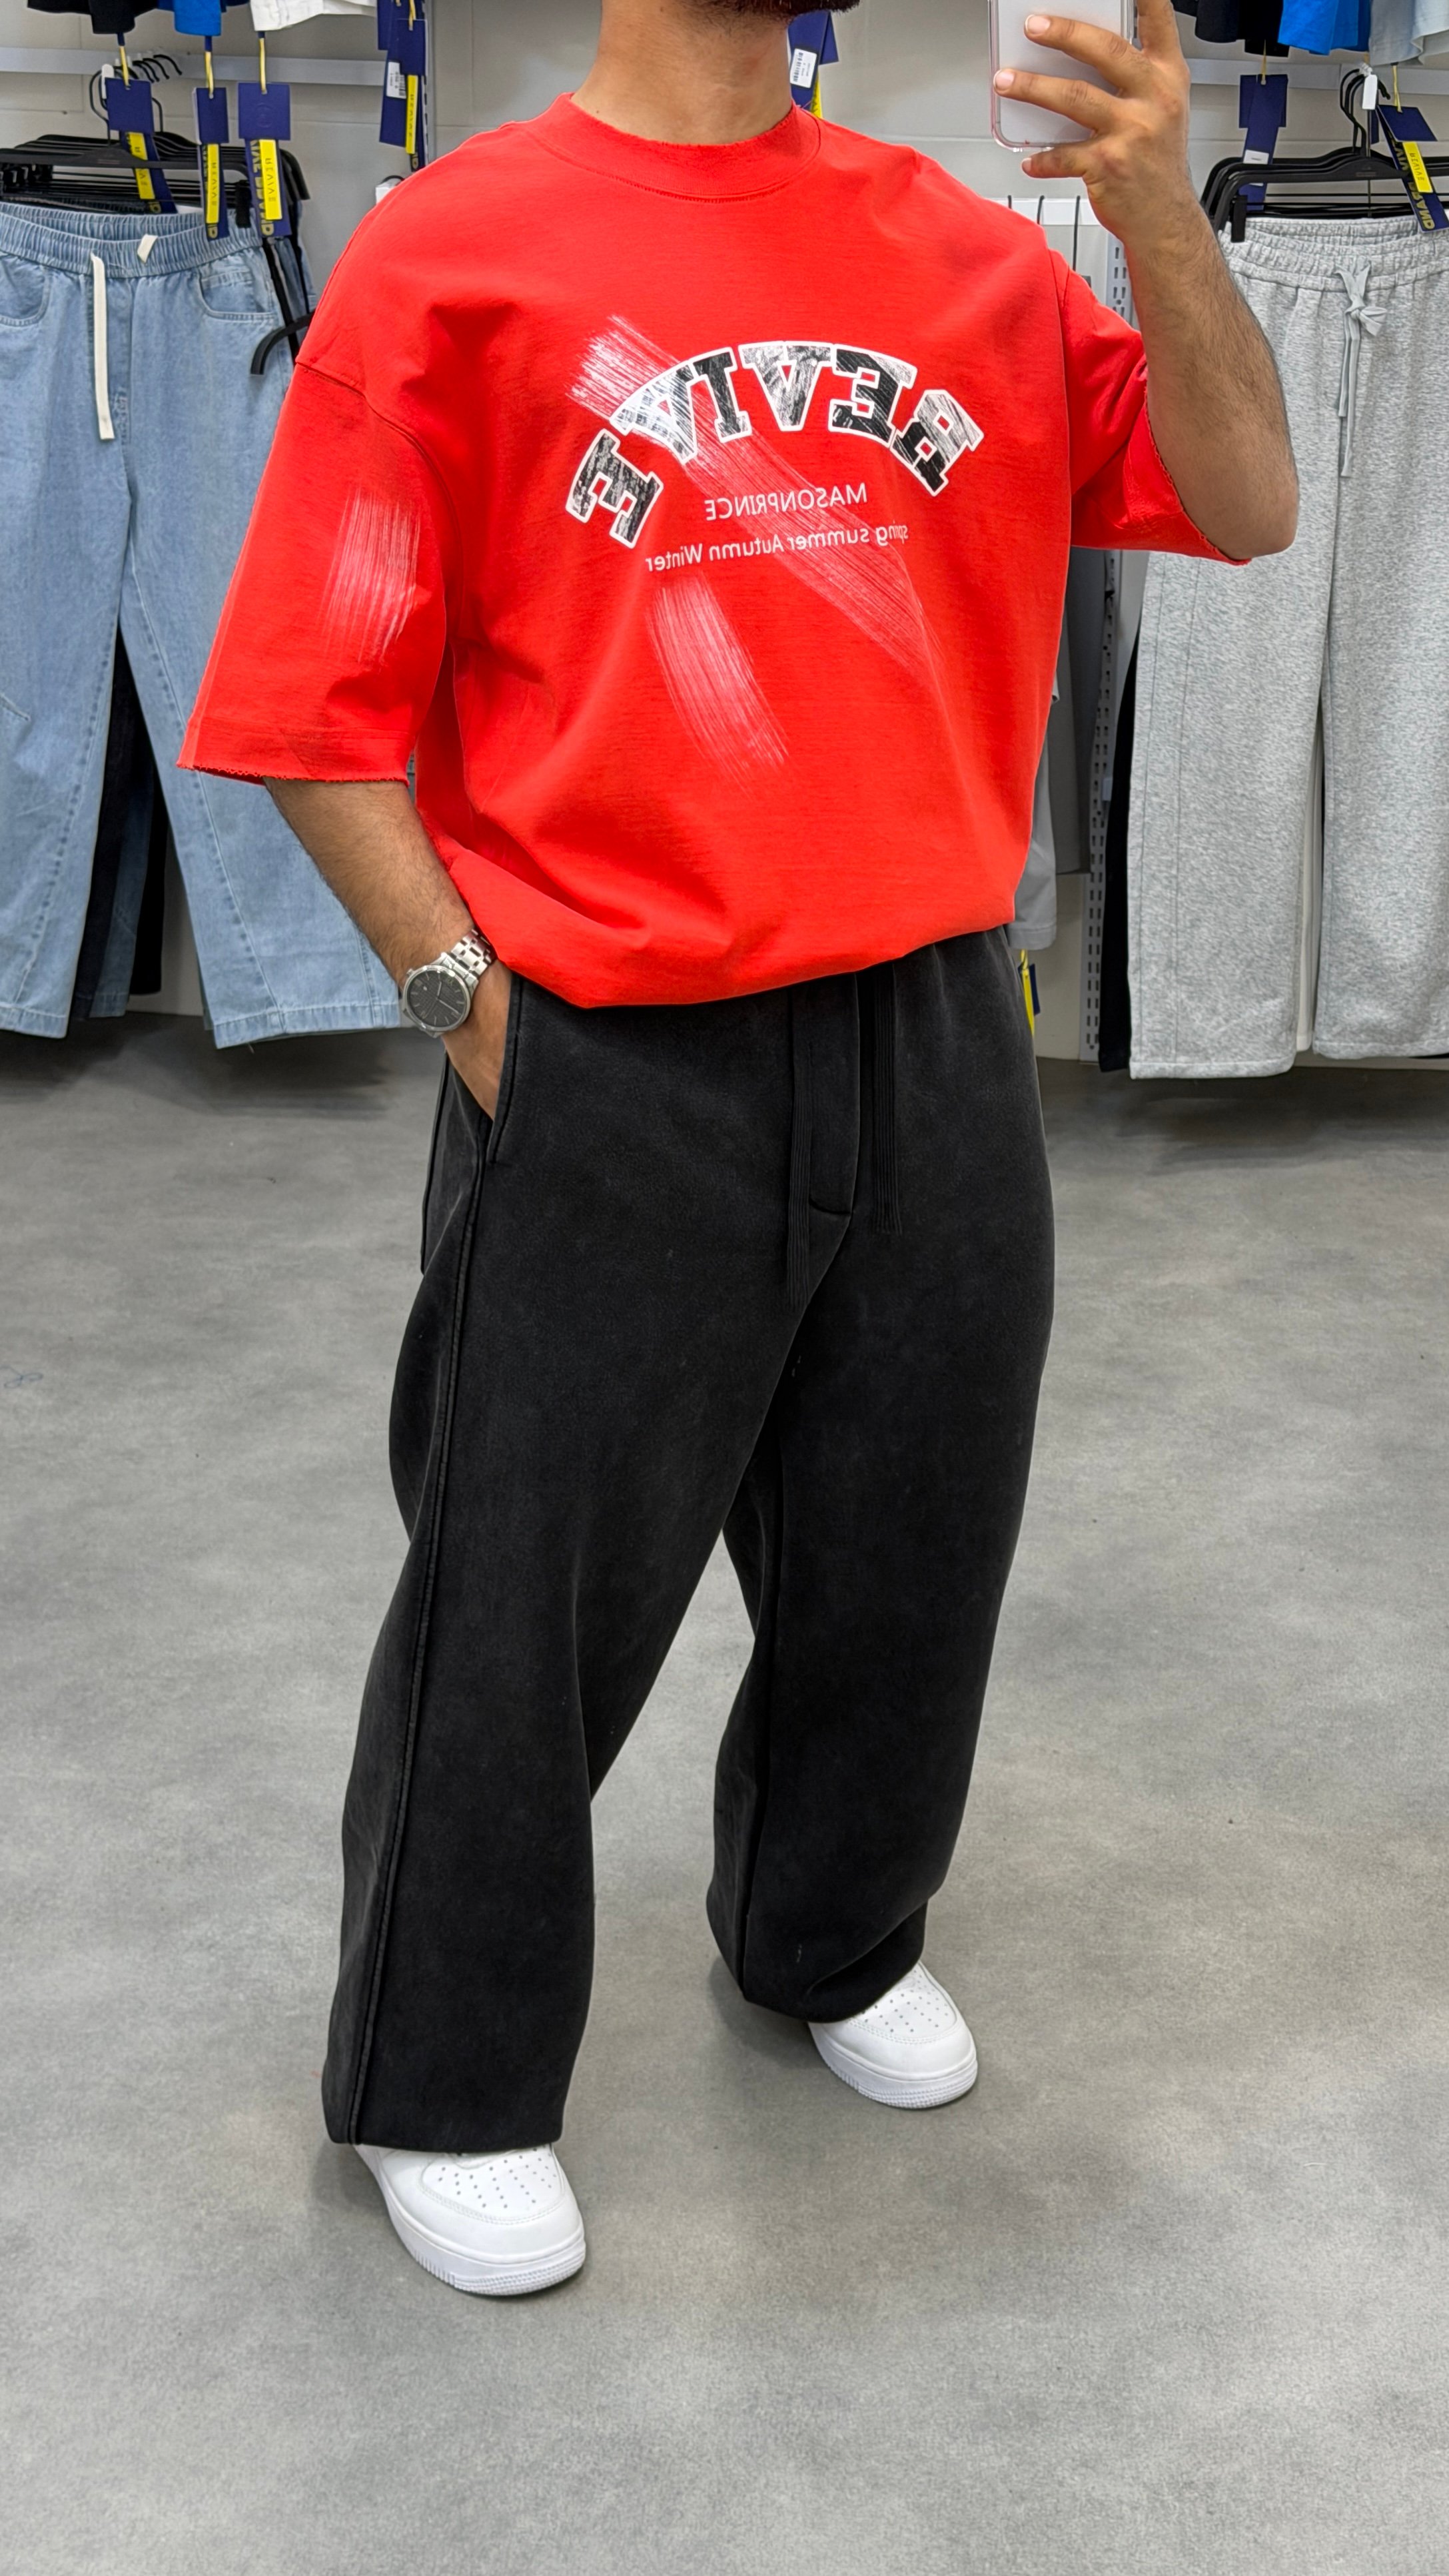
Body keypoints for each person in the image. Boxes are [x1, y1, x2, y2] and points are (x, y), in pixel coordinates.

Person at [181, 0, 1296, 2299]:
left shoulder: (965, 252)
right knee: (523, 1594)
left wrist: (1162, 211)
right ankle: (442, 2073)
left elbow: (1249, 498)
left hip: (933, 1017)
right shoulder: (451, 254)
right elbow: (310, 702)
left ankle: (828, 1932)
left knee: (911, 1550)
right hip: (610, 1042)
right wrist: (466, 1007)